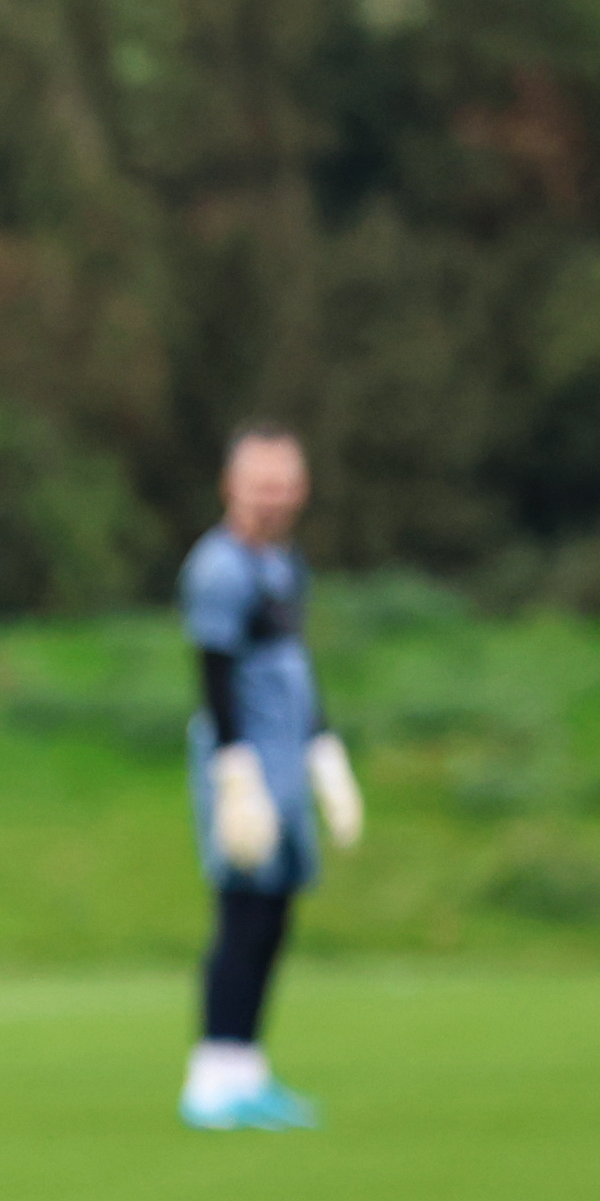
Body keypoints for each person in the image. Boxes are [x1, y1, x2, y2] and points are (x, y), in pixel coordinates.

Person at [181, 424, 362, 1130]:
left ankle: (246, 1064)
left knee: (275, 913)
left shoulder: (284, 564)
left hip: (289, 757)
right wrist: (235, 772)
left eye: (285, 482)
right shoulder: (218, 568)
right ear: (231, 486)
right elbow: (214, 673)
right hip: (247, 764)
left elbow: (294, 661)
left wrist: (324, 751)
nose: (274, 497)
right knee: (240, 910)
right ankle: (211, 1071)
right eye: (261, 482)